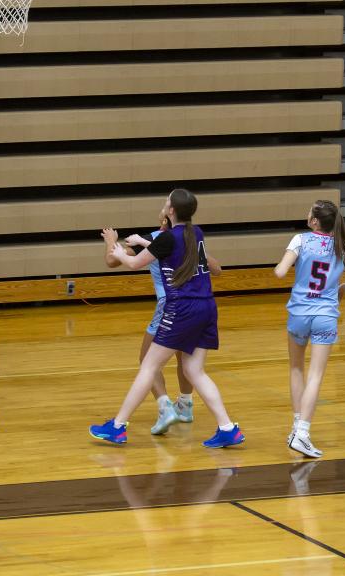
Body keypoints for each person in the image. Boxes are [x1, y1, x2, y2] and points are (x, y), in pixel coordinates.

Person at [90, 189, 243, 448]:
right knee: (194, 370)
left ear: (171, 211)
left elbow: (134, 264)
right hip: (207, 306)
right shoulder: (196, 233)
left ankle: (117, 427)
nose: (164, 205)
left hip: (181, 308)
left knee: (149, 366)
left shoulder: (166, 238)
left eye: (166, 202)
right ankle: (227, 428)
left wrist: (116, 251)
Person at [273, 199, 345, 458]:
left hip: (299, 314)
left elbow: (280, 272)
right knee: (315, 375)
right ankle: (302, 432)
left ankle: (296, 428)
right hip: (325, 316)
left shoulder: (300, 240)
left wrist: (285, 267)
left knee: (296, 368)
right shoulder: (342, 246)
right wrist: (339, 289)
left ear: (315, 221)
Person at [101, 217, 195, 435]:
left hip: (169, 304)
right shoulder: (190, 238)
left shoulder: (155, 238)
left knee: (147, 360)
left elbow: (112, 261)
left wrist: (110, 241)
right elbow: (216, 268)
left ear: (166, 219)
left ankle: (165, 407)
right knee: (184, 357)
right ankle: (185, 405)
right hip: (192, 303)